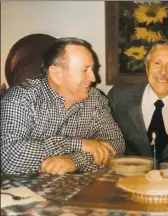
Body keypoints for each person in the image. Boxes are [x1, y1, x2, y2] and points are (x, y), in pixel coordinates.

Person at [1, 37, 125, 175]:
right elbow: (9, 157)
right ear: (56, 74)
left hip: (79, 191)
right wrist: (79, 144)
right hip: (20, 193)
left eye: (92, 69)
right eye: (85, 70)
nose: (94, 78)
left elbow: (117, 145)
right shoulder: (21, 98)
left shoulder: (95, 99)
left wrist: (74, 160)